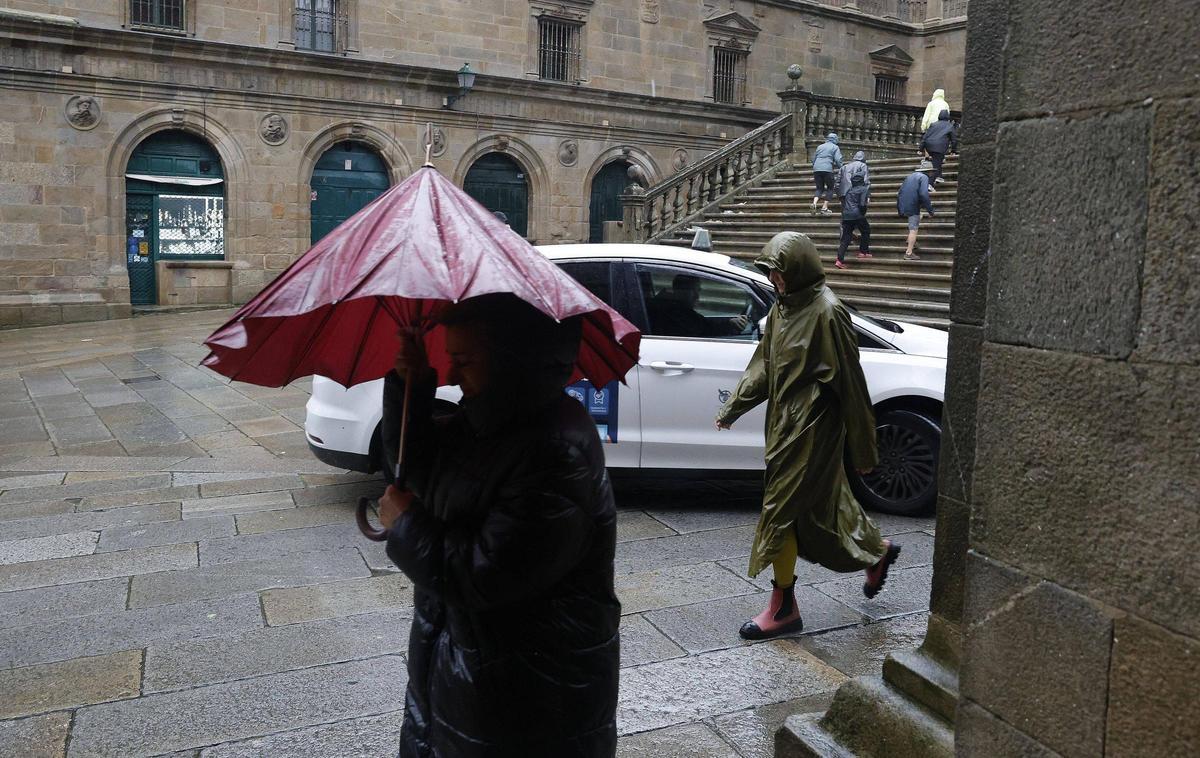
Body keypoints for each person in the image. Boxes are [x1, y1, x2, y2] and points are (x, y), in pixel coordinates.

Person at [376, 294, 620, 757]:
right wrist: (412, 385)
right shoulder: (484, 422)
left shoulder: (555, 449)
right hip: (466, 668)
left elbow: (485, 574)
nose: (451, 376)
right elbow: (420, 475)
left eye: (463, 361)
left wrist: (407, 526)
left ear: (514, 359)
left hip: (528, 694)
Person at [715, 232, 900, 640]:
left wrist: (864, 450)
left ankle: (783, 607)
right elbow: (765, 366)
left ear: (798, 268)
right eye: (770, 272)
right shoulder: (782, 308)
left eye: (779, 272)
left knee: (779, 510)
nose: (774, 280)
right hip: (783, 424)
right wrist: (734, 407)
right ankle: (876, 551)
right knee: (821, 507)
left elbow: (852, 384)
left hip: (813, 428)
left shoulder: (828, 313)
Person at [646, 274, 750, 337]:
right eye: (694, 290)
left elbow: (704, 324)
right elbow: (704, 329)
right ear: (680, 291)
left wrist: (730, 322)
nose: (697, 296)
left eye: (698, 291)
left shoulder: (677, 308)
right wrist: (729, 325)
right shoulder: (672, 311)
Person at [896, 167, 935, 261]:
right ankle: (909, 253)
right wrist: (930, 210)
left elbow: (900, 191)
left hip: (904, 203)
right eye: (932, 172)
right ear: (928, 171)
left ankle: (910, 240)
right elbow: (923, 194)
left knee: (918, 218)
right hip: (913, 205)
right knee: (913, 229)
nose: (932, 174)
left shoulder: (910, 176)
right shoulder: (924, 177)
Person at [835, 173, 872, 269]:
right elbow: (862, 204)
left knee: (846, 238)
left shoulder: (849, 190)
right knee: (866, 230)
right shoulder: (864, 189)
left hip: (846, 215)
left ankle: (839, 260)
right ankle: (863, 251)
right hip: (857, 214)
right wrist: (862, 213)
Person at [920, 110, 958, 185]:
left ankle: (939, 177)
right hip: (940, 147)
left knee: (937, 161)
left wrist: (921, 148)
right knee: (936, 164)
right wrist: (953, 150)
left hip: (929, 145)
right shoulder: (950, 126)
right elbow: (954, 140)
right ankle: (930, 184)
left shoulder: (933, 124)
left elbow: (925, 136)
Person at [810, 133, 842, 216]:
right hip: (827, 169)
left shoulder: (820, 146)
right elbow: (838, 159)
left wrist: (815, 166)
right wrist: (842, 168)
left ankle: (814, 203)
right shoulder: (835, 147)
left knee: (819, 188)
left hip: (817, 169)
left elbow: (813, 159)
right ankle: (824, 207)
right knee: (830, 188)